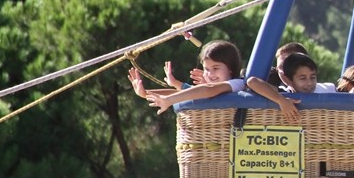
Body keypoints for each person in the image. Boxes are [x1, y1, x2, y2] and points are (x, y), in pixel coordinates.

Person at [129, 40, 301, 124]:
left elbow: (208, 90)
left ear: (231, 69)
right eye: (206, 68)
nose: (209, 73)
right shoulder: (216, 87)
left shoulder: (237, 84)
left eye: (215, 68)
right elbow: (182, 94)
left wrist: (169, 101)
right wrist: (146, 94)